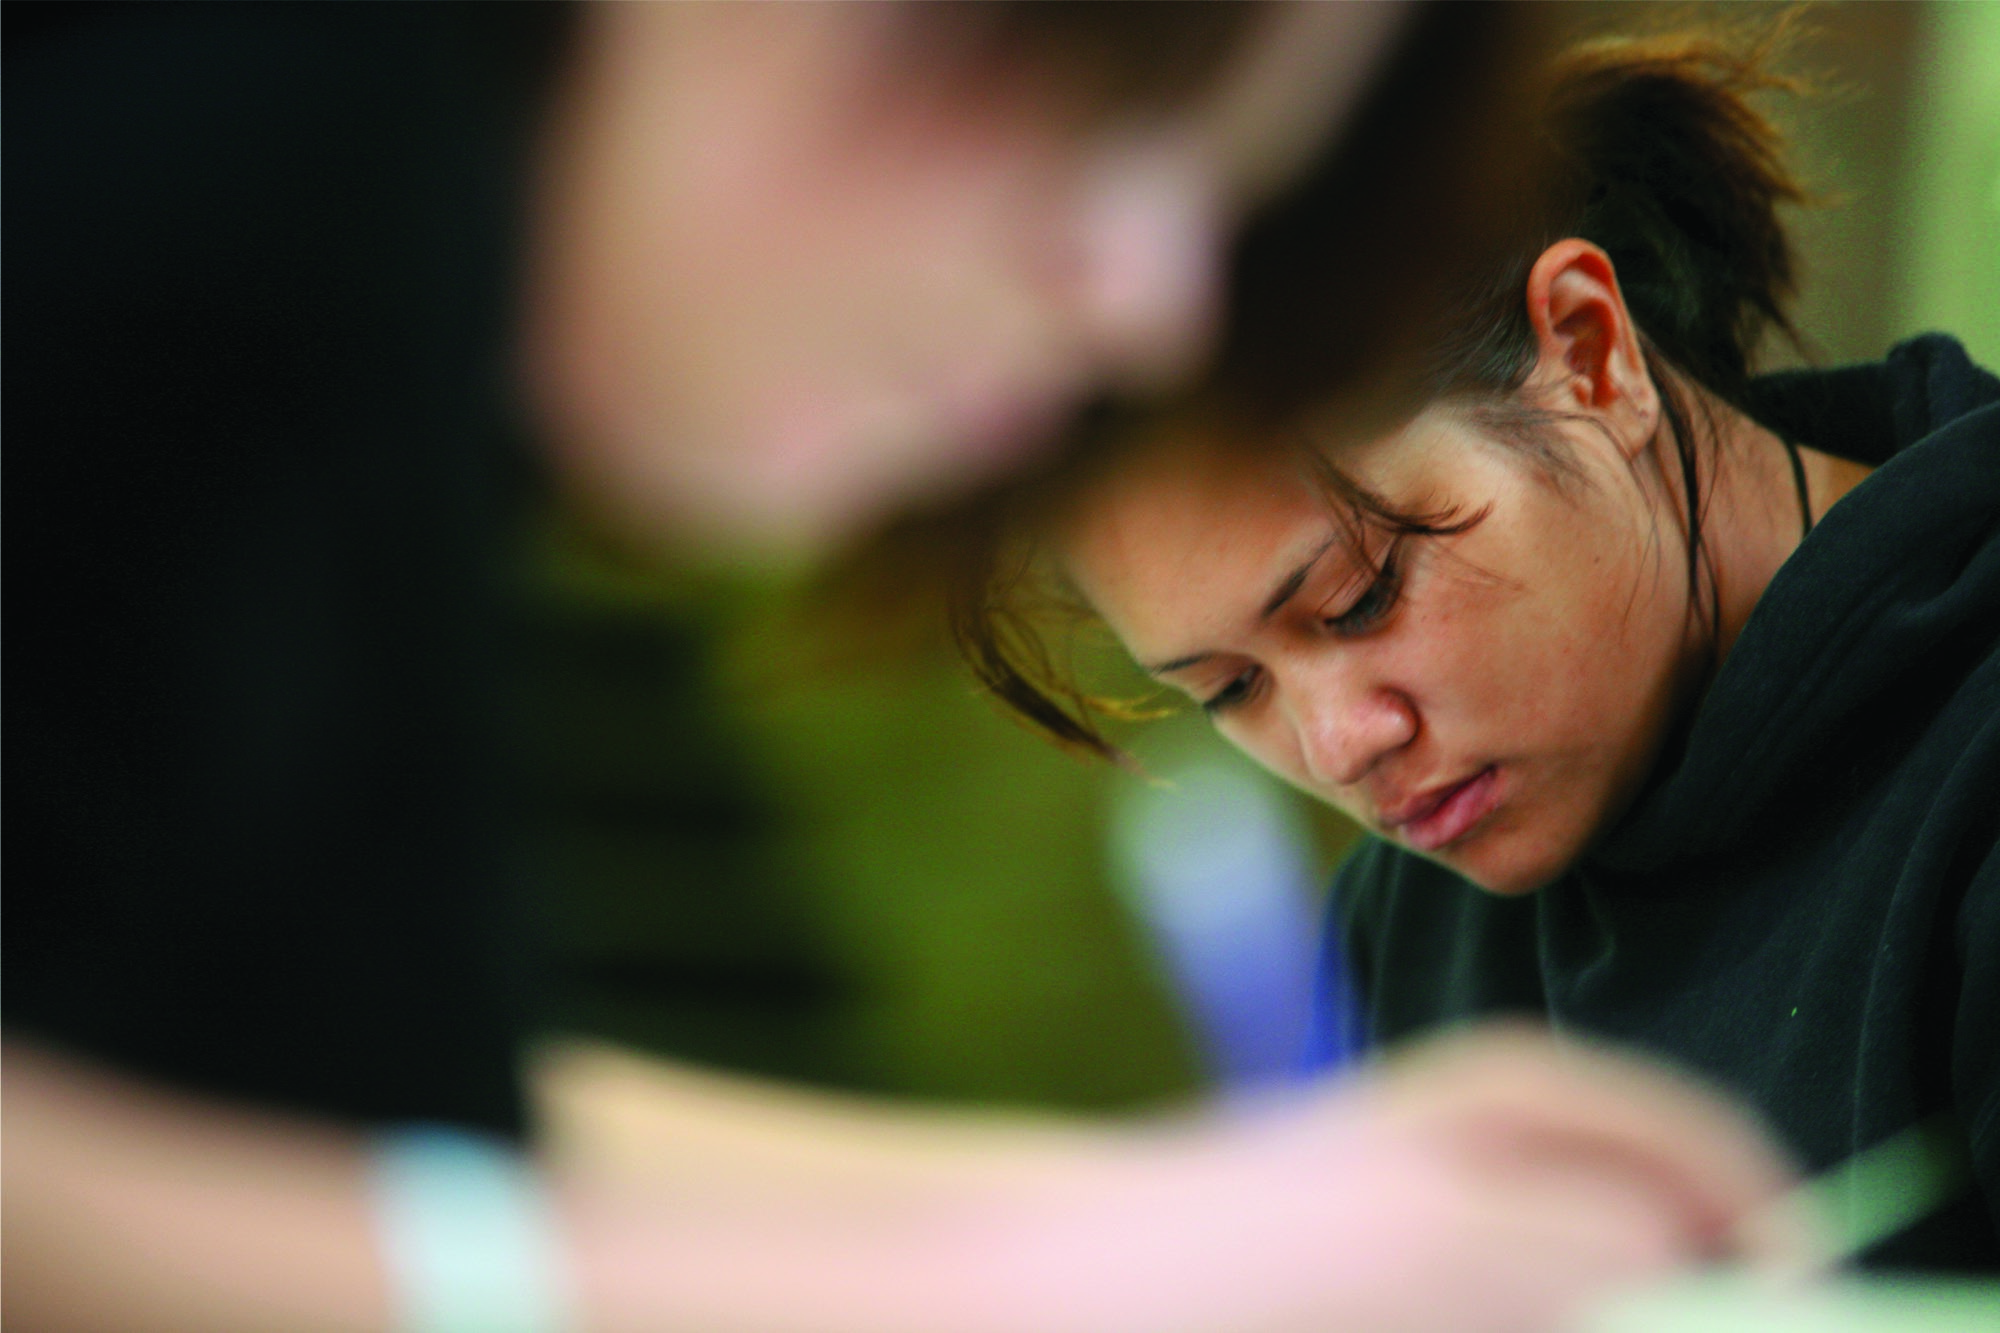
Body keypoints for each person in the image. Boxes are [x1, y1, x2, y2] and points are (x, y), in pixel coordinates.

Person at [5, 5, 1814, 1331]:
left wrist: (1195, 1225)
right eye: (1115, 123)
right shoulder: (173, 177)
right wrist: (1045, 1264)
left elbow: (338, 1121)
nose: (1143, 301)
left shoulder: (362, 344)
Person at [961, 25, 1999, 1273]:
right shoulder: (1399, 942)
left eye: (1357, 599)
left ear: (1589, 354)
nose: (1342, 744)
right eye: (1229, 690)